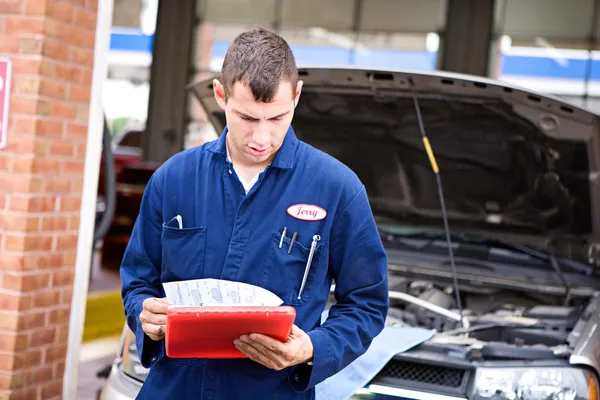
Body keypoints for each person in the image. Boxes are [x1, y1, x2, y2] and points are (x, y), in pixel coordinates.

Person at [120, 26, 389, 399]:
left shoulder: (338, 190)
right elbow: (138, 281)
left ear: (297, 96)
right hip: (173, 389)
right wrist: (143, 312)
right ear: (220, 94)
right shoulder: (173, 180)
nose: (261, 138)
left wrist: (311, 347)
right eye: (247, 118)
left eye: (277, 118)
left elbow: (367, 304)